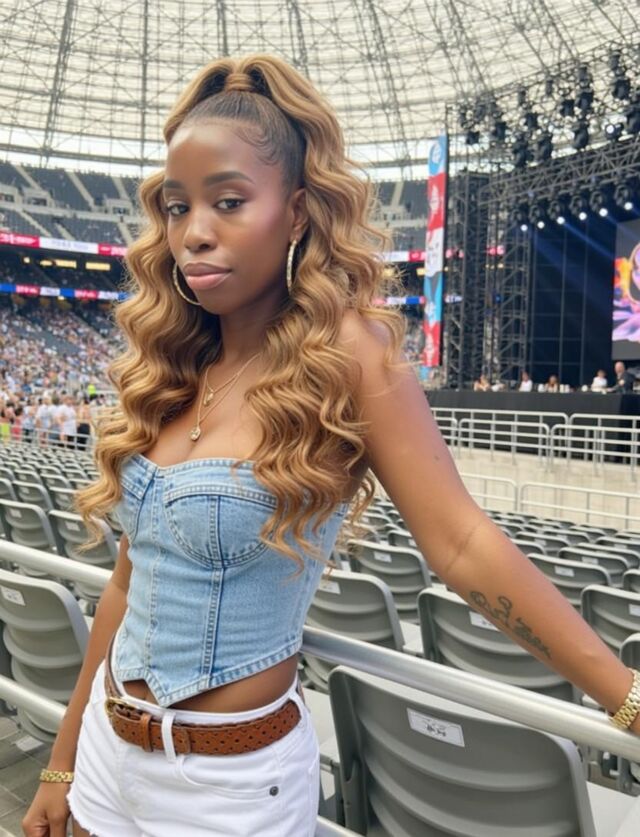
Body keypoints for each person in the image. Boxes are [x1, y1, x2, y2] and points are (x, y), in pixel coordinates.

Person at [24, 55, 640, 837]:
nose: (195, 233)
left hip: (228, 791)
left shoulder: (346, 353)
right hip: (106, 762)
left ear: (296, 212)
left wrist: (625, 696)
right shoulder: (176, 364)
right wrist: (62, 761)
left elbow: (460, 541)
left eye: (229, 201)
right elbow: (124, 586)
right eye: (178, 207)